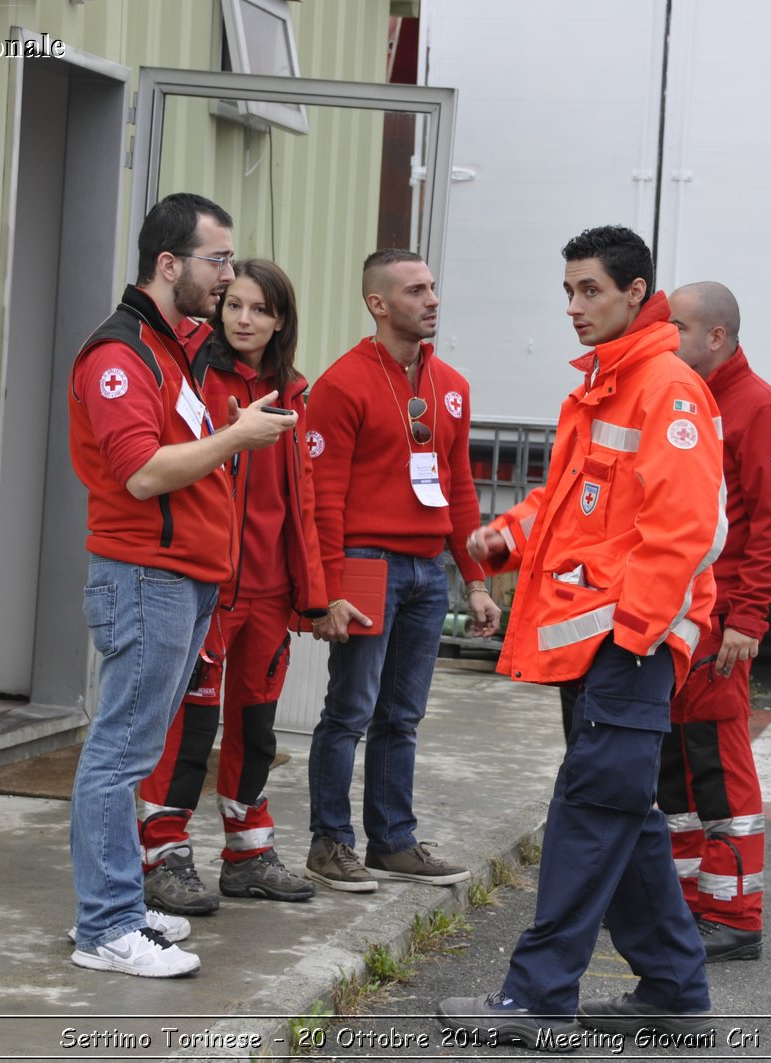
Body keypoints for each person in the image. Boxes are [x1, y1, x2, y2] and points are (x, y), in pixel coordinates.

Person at [438, 225, 726, 1047]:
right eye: (567, 290)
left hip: (626, 647)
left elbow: (686, 530)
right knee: (621, 815)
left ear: (636, 292)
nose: (573, 306)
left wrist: (635, 637)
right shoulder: (608, 384)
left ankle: (536, 997)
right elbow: (572, 506)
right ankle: (673, 987)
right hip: (601, 644)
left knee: (589, 815)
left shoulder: (665, 389)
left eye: (590, 290)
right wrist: (508, 535)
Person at [65, 193, 296, 978]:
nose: (229, 279)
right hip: (144, 576)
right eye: (218, 261)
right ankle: (104, 927)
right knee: (119, 756)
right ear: (170, 265)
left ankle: (124, 905)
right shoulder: (119, 356)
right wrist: (238, 435)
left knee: (136, 747)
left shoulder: (173, 347)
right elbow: (141, 473)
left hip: (186, 579)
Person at [301, 249, 501, 893]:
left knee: (402, 715)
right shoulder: (342, 384)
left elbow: (460, 486)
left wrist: (475, 580)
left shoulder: (453, 387)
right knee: (350, 710)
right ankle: (330, 844)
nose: (433, 299)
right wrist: (328, 590)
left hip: (425, 571)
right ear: (379, 304)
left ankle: (393, 843)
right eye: (416, 290)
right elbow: (323, 496)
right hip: (364, 564)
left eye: (434, 287)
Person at [137, 260, 325, 915]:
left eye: (259, 309)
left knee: (257, 727)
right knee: (188, 729)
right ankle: (162, 854)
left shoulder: (295, 391)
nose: (244, 319)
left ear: (280, 320)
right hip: (206, 591)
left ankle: (248, 852)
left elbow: (302, 498)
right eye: (234, 305)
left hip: (271, 595)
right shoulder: (193, 375)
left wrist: (316, 592)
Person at [661, 281, 771, 963]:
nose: (667, 339)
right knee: (680, 771)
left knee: (719, 771)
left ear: (715, 336)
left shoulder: (760, 409)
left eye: (678, 328)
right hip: (682, 620)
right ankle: (687, 901)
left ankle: (735, 912)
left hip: (721, 627)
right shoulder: (689, 399)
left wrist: (749, 618)